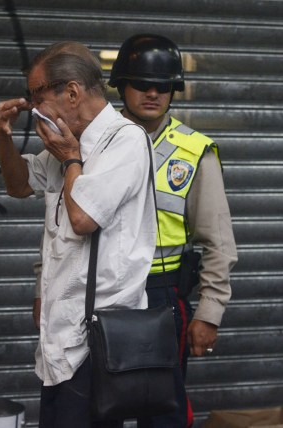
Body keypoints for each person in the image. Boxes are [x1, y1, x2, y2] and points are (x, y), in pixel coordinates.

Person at [0, 41, 156, 427]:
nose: (32, 105)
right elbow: (18, 186)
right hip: (61, 331)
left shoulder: (125, 140)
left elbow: (83, 219)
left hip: (98, 339)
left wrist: (70, 157)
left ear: (71, 92)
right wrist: (4, 137)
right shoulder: (68, 142)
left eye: (37, 93)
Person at [107, 33, 238, 428]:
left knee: (161, 412)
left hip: (161, 295)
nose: (153, 93)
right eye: (142, 84)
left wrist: (209, 312)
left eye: (163, 86)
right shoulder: (93, 141)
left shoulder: (194, 150)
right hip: (99, 292)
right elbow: (62, 226)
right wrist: (46, 289)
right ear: (121, 86)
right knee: (95, 409)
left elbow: (218, 241)